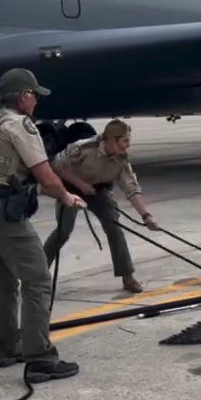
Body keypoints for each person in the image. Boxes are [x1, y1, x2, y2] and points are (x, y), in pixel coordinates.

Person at [0, 68, 86, 383]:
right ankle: (40, 357)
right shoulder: (21, 125)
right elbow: (45, 176)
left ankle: (7, 350)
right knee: (38, 279)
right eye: (34, 95)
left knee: (1, 281)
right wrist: (68, 196)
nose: (36, 102)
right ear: (23, 96)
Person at [43, 119, 160, 294]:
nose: (128, 145)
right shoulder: (83, 148)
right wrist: (80, 185)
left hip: (98, 190)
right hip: (70, 188)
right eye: (125, 141)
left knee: (114, 228)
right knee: (63, 232)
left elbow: (131, 189)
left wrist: (146, 216)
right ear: (112, 140)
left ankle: (127, 276)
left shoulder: (121, 160)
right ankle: (39, 274)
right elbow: (56, 167)